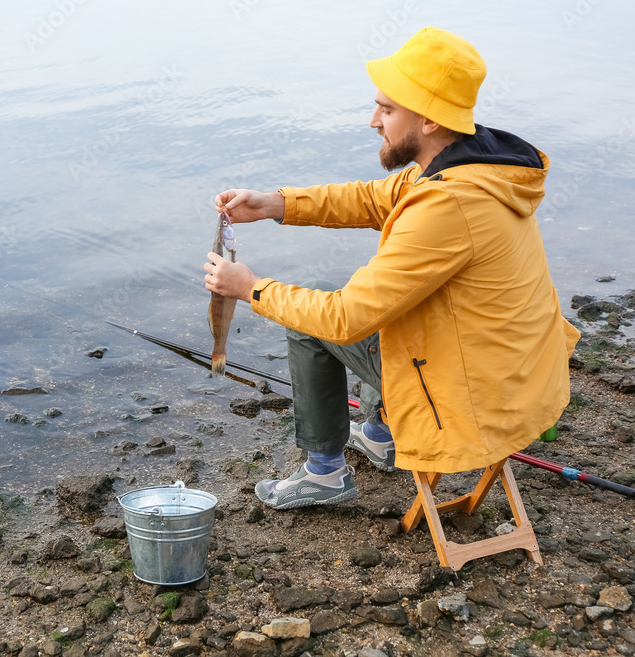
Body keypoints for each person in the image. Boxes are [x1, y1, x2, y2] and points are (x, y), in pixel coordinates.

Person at [203, 27, 580, 510]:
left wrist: (251, 288)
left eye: (387, 109)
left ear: (426, 119)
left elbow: (345, 319)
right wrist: (276, 203)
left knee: (312, 314)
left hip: (474, 401)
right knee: (390, 298)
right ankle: (381, 433)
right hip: (518, 374)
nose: (373, 120)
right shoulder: (472, 166)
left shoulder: (450, 204)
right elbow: (369, 197)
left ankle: (324, 473)